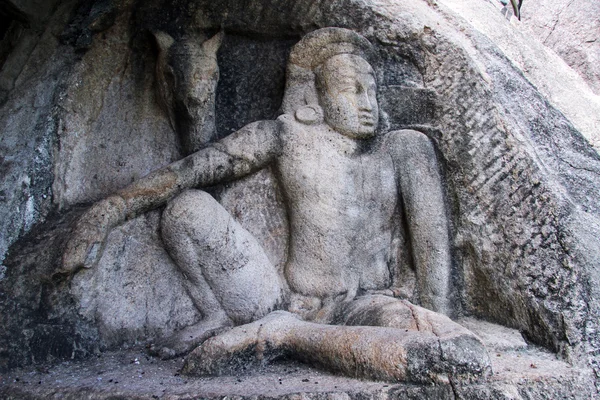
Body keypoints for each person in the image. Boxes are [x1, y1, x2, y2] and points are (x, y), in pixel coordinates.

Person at [63, 27, 489, 382]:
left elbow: (432, 250)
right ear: (315, 97)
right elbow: (190, 171)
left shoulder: (403, 149)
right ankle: (224, 317)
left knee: (446, 351)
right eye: (350, 89)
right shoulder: (285, 135)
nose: (366, 103)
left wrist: (436, 318)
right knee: (189, 208)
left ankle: (287, 337)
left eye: (371, 90)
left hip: (366, 303)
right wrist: (107, 211)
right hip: (278, 296)